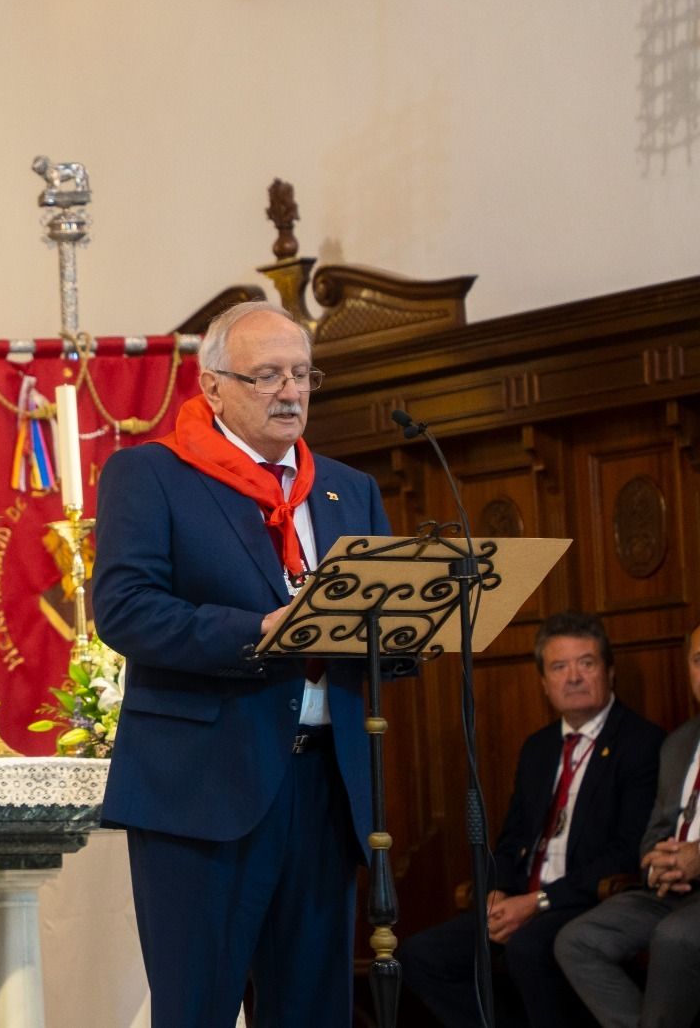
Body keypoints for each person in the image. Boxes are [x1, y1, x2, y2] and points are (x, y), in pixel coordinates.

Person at [92, 300, 389, 1026]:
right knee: (198, 1008)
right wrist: (262, 630)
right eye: (267, 377)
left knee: (316, 1010)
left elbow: (382, 634)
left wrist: (416, 627)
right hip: (202, 786)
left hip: (326, 782)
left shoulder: (350, 489)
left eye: (301, 374)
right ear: (214, 386)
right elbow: (125, 608)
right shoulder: (151, 474)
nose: (290, 392)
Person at [399, 610, 663, 1027]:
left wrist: (539, 902)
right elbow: (513, 837)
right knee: (420, 956)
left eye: (586, 663)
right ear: (543, 682)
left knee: (526, 947)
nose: (573, 677)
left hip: (585, 901)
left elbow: (627, 851)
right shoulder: (538, 748)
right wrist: (497, 890)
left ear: (609, 673)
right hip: (521, 898)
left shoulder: (642, 743)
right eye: (559, 667)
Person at [555, 622, 700, 1028]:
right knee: (577, 940)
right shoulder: (679, 743)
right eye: (699, 660)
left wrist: (698, 857)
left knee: (675, 938)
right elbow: (656, 828)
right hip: (671, 888)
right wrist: (656, 862)